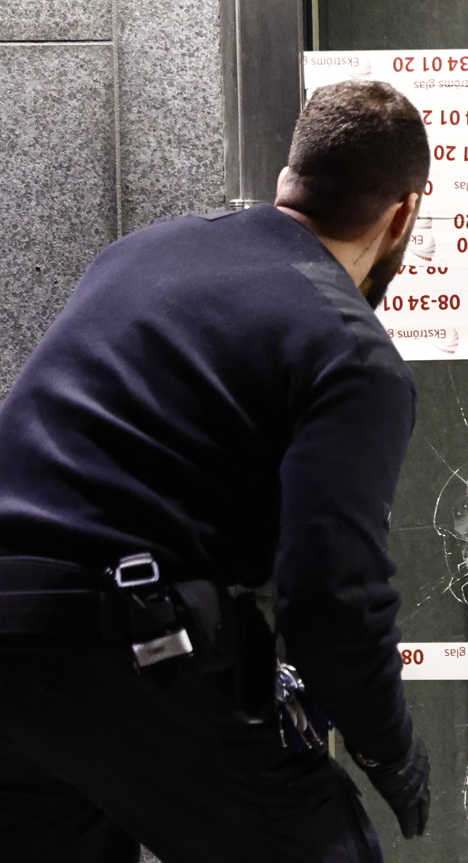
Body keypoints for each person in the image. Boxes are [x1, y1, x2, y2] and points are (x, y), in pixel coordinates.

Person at [0, 80, 433, 862]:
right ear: (403, 214)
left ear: (287, 179)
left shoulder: (145, 251)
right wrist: (388, 751)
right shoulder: (350, 350)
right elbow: (332, 593)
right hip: (124, 651)